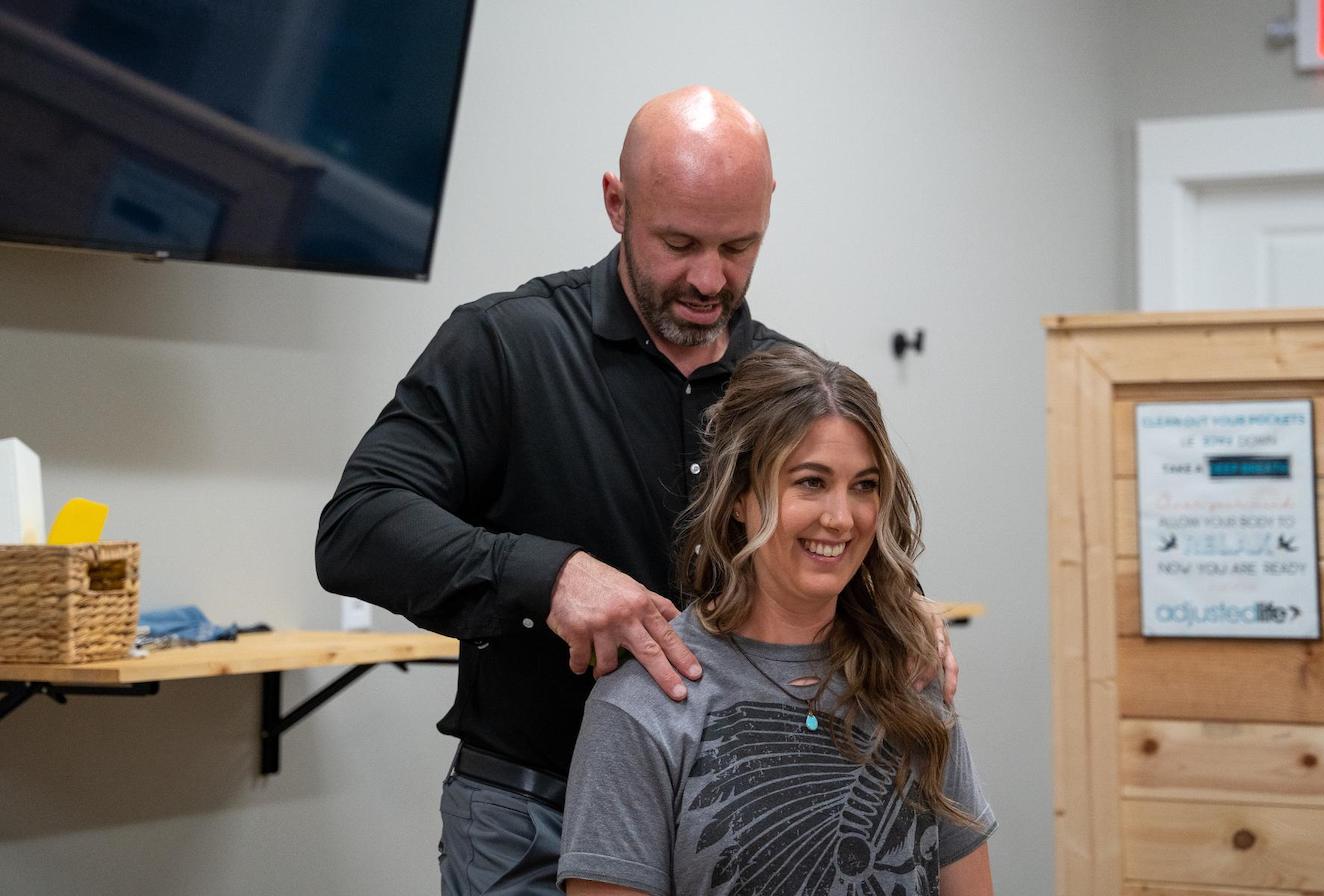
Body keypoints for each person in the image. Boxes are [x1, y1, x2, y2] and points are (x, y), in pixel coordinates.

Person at [315, 86, 958, 893]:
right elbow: (358, 527)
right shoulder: (504, 347)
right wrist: (547, 576)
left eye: (738, 247)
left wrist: (905, 609)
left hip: (733, 823)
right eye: (679, 241)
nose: (708, 278)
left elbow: (832, 537)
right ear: (616, 203)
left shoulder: (782, 382)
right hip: (532, 821)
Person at [559, 346, 995, 895]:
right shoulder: (643, 708)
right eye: (810, 482)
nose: (841, 518)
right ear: (739, 496)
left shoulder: (911, 674)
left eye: (864, 485)